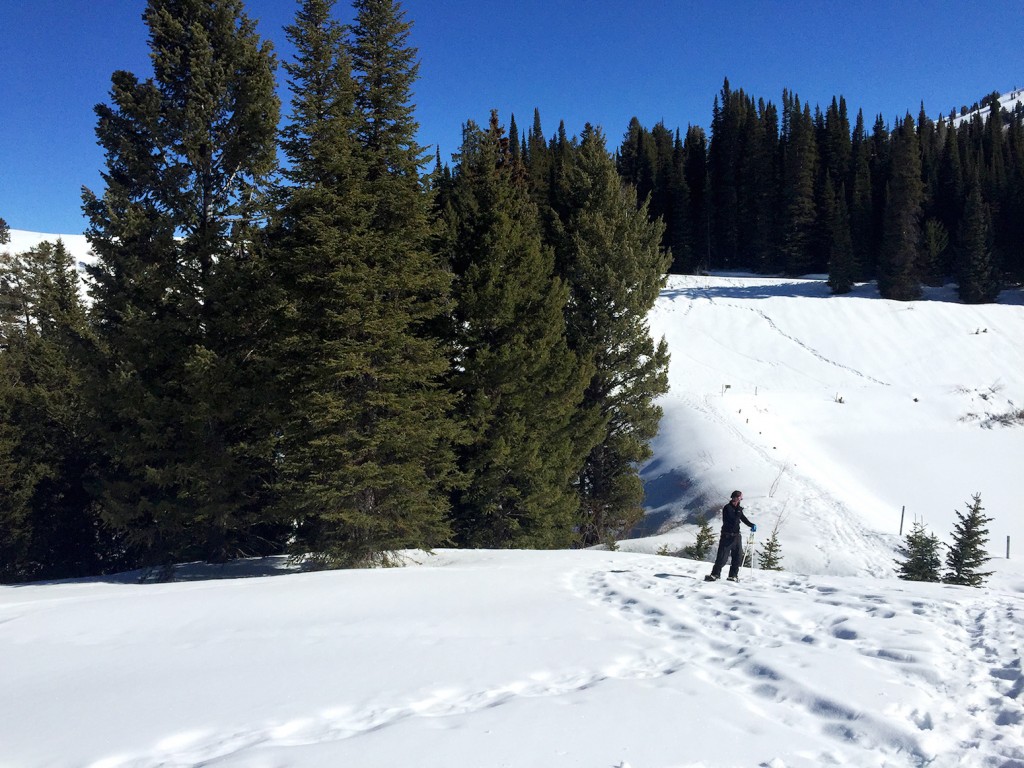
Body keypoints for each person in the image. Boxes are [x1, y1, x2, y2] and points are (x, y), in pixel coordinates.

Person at [704, 490, 756, 582]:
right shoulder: (727, 508)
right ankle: (715, 574)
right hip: (727, 536)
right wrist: (738, 514)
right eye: (740, 497)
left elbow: (743, 518)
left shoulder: (739, 509)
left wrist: (751, 525)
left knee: (737, 557)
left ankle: (733, 576)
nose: (741, 499)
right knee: (722, 557)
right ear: (735, 497)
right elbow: (731, 520)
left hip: (736, 537)